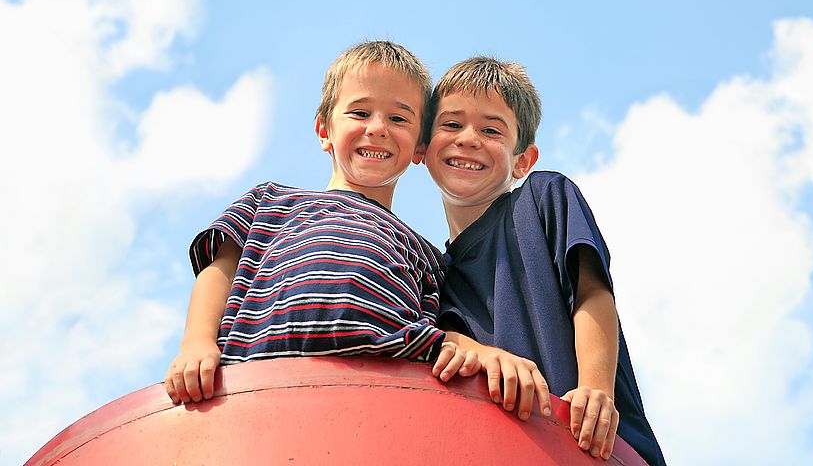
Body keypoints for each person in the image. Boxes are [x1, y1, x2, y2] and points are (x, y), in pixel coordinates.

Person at [164, 41, 479, 405]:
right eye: (360, 113)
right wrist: (197, 342)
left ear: (420, 148)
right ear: (324, 131)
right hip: (253, 387)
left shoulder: (427, 254)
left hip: (376, 400)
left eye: (398, 118)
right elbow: (219, 272)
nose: (377, 128)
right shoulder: (269, 201)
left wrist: (480, 351)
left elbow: (437, 336)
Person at [423, 57, 666, 465]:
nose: (468, 138)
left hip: (596, 445)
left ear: (522, 159)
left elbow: (591, 293)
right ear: (422, 148)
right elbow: (436, 340)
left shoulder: (544, 197)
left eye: (491, 129)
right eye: (451, 124)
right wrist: (482, 353)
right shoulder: (430, 270)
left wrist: (595, 390)